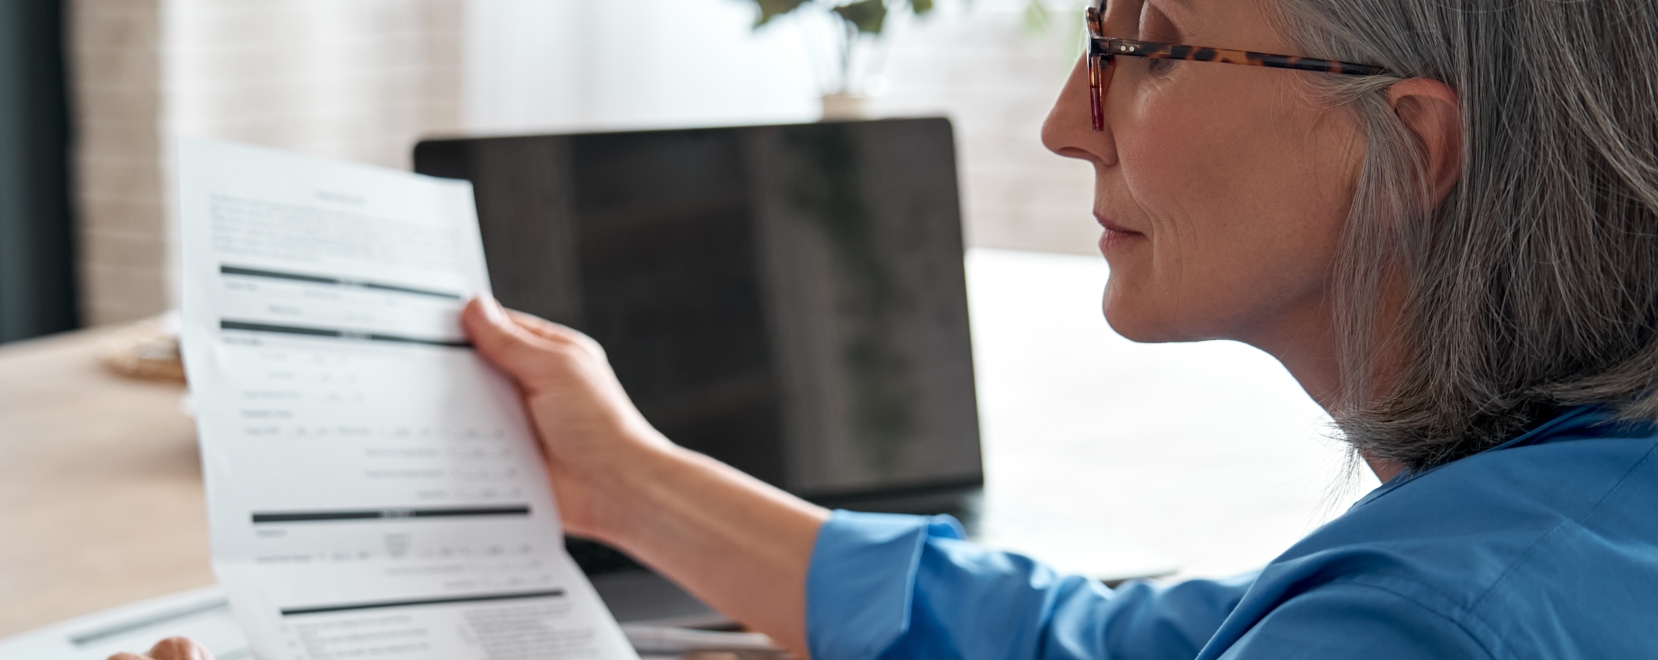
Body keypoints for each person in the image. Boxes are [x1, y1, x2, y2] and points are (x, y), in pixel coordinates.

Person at [126, 0, 1658, 657]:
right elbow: (1117, 647)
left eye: (1152, 49)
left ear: (1408, 146)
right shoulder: (1552, 527)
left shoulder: (1425, 629)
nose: (1071, 120)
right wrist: (621, 480)